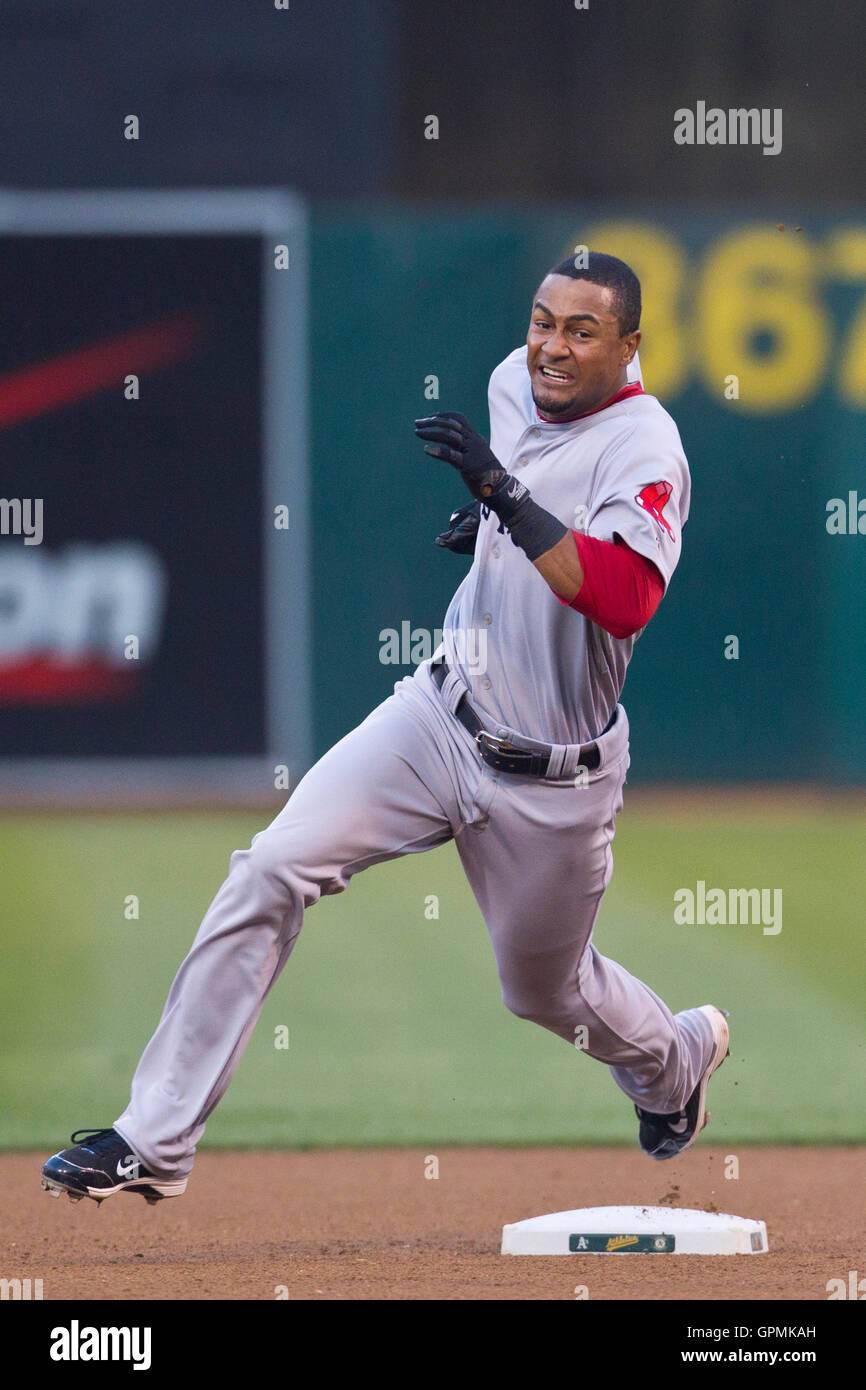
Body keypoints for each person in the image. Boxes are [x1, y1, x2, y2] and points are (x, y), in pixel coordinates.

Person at [41, 251, 728, 1206]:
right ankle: (150, 1140)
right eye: (542, 319)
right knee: (274, 866)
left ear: (630, 347)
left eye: (581, 330)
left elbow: (624, 597)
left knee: (545, 993)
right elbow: (526, 520)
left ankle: (674, 1061)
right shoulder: (510, 385)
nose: (550, 345)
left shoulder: (646, 447)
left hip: (552, 780)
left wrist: (507, 504)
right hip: (437, 715)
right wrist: (492, 527)